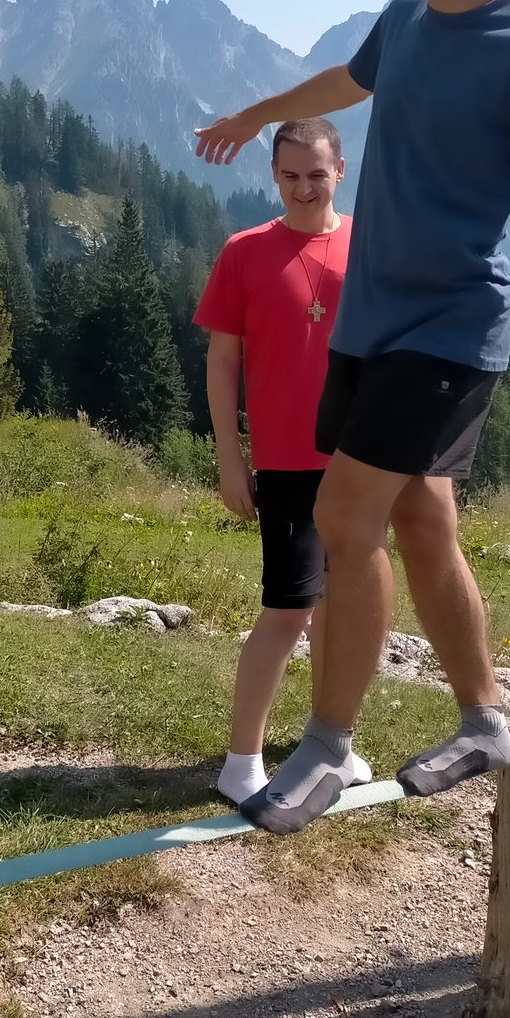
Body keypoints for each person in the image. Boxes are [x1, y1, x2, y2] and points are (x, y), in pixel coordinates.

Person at [193, 0, 510, 834]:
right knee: (423, 521)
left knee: (344, 520)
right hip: (371, 325)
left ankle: (326, 749)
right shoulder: (406, 20)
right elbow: (348, 80)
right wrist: (257, 115)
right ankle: (483, 720)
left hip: (450, 325)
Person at [193, 118, 371, 804]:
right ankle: (241, 763)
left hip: (360, 460)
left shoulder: (367, 246)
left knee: (343, 608)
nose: (303, 188)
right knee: (288, 610)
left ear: (339, 172)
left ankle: (331, 744)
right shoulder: (244, 252)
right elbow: (223, 362)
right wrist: (230, 458)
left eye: (316, 175)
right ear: (273, 174)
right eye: (290, 175)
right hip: (287, 463)